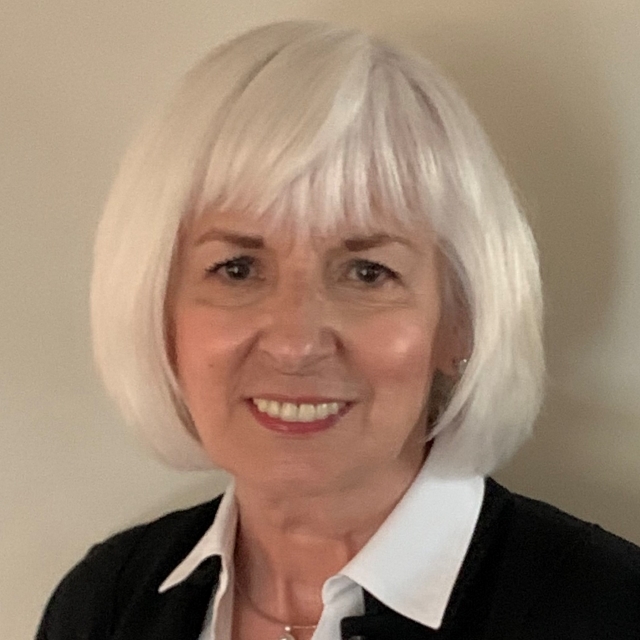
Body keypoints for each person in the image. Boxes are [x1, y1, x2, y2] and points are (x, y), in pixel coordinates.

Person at [37, 20, 640, 640]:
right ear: (158, 311)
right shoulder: (102, 605)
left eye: (367, 272)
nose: (295, 343)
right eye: (237, 268)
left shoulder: (612, 612)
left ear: (461, 321)